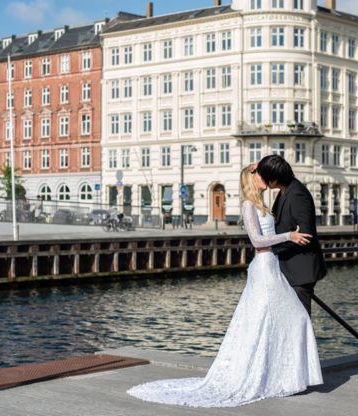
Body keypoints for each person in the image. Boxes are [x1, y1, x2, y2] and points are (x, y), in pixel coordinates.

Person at [126, 165, 322, 407]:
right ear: (252, 181)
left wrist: (257, 165)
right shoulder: (248, 206)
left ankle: (281, 374)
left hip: (273, 267)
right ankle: (274, 374)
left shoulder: (262, 203)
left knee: (282, 321)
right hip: (264, 268)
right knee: (283, 319)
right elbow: (257, 241)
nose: (264, 178)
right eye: (260, 175)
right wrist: (288, 236)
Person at [255, 154, 327, 316]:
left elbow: (305, 235)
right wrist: (259, 166)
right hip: (291, 268)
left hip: (300, 271)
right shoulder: (286, 189)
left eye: (265, 178)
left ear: (274, 179)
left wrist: (273, 248)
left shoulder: (297, 194)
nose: (264, 182)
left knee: (300, 320)